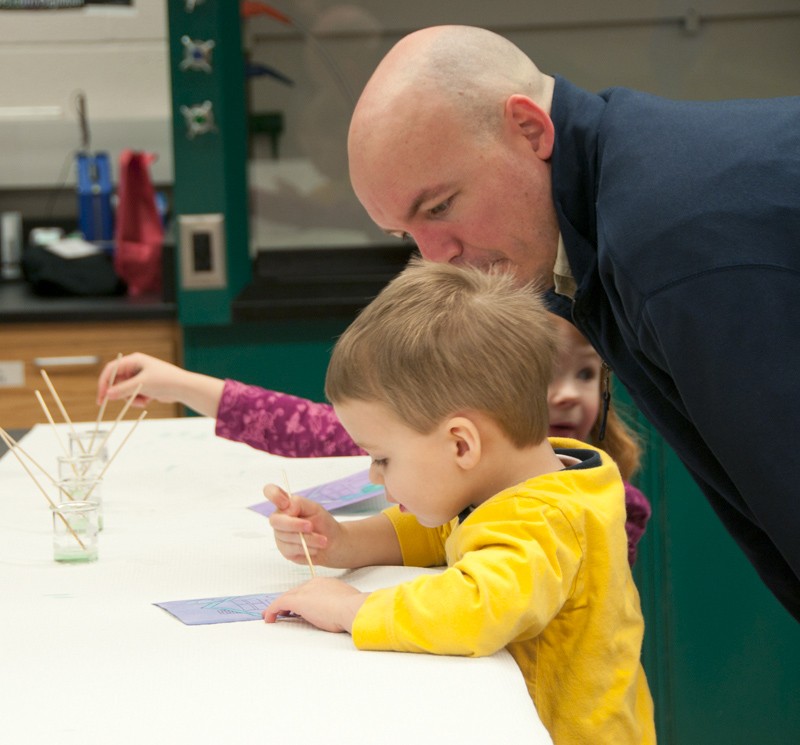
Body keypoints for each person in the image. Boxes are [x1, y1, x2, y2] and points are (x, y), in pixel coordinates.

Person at [343, 25, 800, 619]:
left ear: (529, 129)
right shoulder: (611, 202)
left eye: (441, 207)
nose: (435, 256)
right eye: (408, 234)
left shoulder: (669, 248)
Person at [261, 259, 656, 744]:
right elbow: (433, 529)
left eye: (382, 458)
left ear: (461, 445)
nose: (373, 474)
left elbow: (476, 608)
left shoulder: (541, 520)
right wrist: (341, 541)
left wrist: (353, 609)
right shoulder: (522, 482)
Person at [96, 318, 652, 565]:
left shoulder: (604, 508)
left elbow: (486, 601)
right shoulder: (434, 446)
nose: (563, 397)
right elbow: (302, 423)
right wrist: (176, 383)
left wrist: (352, 610)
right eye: (543, 378)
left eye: (585, 375)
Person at [548, 313, 651, 565]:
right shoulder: (461, 485)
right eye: (545, 372)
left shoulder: (616, 501)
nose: (569, 395)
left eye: (585, 374)